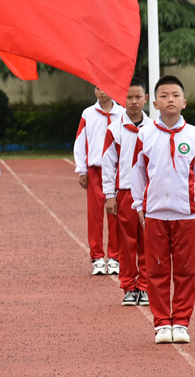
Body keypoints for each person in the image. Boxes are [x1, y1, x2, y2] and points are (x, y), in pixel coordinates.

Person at [131, 75, 195, 345]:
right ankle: (162, 323)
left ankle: (181, 322)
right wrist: (139, 205)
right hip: (154, 214)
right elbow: (138, 171)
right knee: (156, 270)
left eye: (175, 95)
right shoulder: (145, 134)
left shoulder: (194, 135)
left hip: (185, 214)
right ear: (154, 103)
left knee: (186, 270)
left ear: (184, 102)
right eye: (164, 96)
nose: (170, 100)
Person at [102, 78, 152, 306]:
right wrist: (109, 194)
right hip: (125, 193)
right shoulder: (114, 130)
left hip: (149, 195)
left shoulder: (154, 128)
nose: (133, 101)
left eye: (138, 97)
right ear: (122, 99)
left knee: (148, 242)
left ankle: (144, 286)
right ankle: (129, 286)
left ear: (146, 99)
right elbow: (108, 163)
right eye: (129, 97)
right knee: (127, 242)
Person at [74, 87, 125, 275]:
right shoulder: (88, 114)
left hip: (116, 170)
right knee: (94, 216)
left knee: (115, 214)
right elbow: (80, 141)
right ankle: (97, 258)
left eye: (106, 87)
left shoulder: (122, 113)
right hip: (95, 170)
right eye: (97, 87)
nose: (102, 91)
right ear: (94, 91)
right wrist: (82, 169)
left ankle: (114, 257)